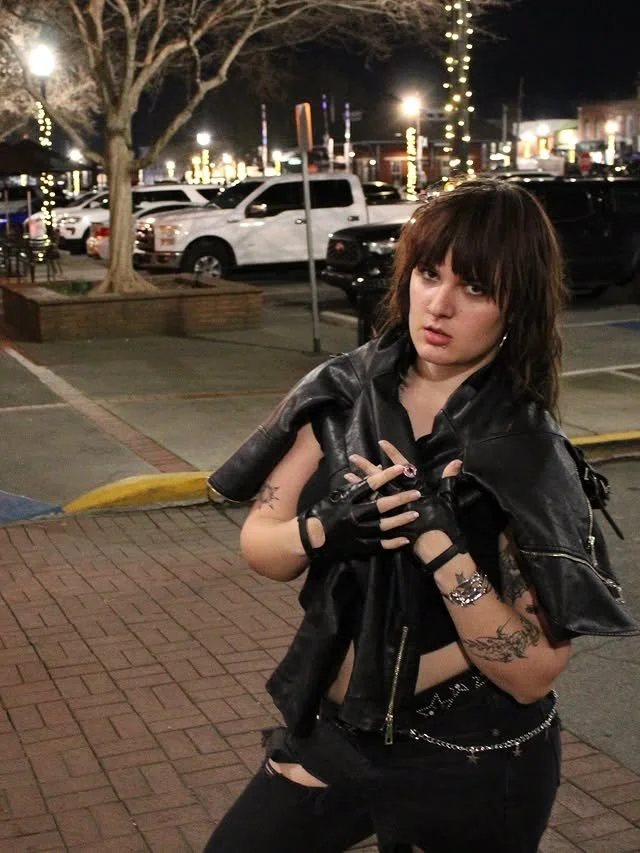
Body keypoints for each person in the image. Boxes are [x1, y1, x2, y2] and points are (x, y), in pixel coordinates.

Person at [202, 178, 637, 853]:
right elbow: (260, 545)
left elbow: (532, 669)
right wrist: (324, 530)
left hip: (471, 754)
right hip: (340, 733)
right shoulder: (342, 391)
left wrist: (441, 545)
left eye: (476, 289)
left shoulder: (526, 450)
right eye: (430, 274)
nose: (439, 303)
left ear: (514, 308)